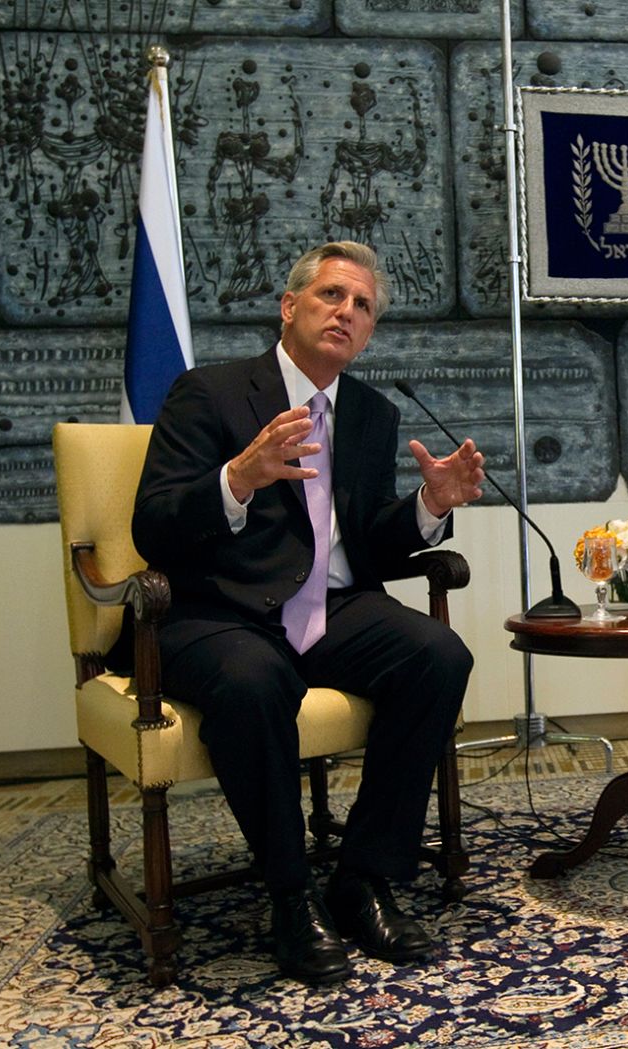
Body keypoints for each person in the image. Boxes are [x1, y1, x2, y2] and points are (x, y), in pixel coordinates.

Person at [132, 241, 486, 983]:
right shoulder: (211, 393)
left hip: (330, 607)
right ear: (290, 307)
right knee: (256, 679)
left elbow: (364, 544)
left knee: (439, 654)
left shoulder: (369, 414)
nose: (346, 313)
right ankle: (290, 897)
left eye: (361, 306)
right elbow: (154, 526)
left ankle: (362, 878)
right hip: (219, 612)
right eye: (331, 295)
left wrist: (429, 506)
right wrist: (238, 476)